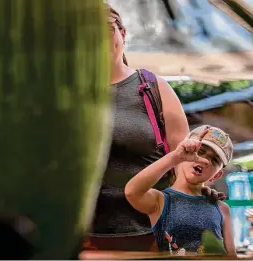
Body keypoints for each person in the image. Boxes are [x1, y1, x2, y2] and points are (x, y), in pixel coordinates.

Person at [84, 4, 225, 251]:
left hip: (153, 235)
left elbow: (183, 158)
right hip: (84, 238)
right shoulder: (68, 94)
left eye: (107, 29)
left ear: (122, 33)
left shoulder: (152, 88)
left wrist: (200, 194)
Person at [125, 125, 236, 256]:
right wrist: (175, 157)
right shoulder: (160, 200)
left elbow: (231, 256)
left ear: (217, 175)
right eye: (200, 151)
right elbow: (132, 192)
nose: (205, 160)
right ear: (184, 149)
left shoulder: (221, 208)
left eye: (215, 159)